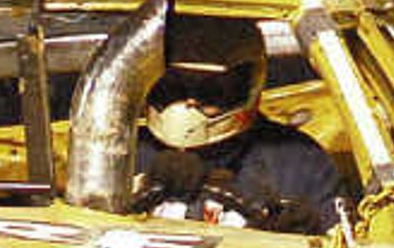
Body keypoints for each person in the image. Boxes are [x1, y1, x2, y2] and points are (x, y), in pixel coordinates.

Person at [120, 15, 348, 236]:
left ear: (244, 86)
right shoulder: (121, 152)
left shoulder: (299, 162)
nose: (189, 102)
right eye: (173, 87)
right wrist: (141, 187)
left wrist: (301, 234)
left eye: (210, 90)